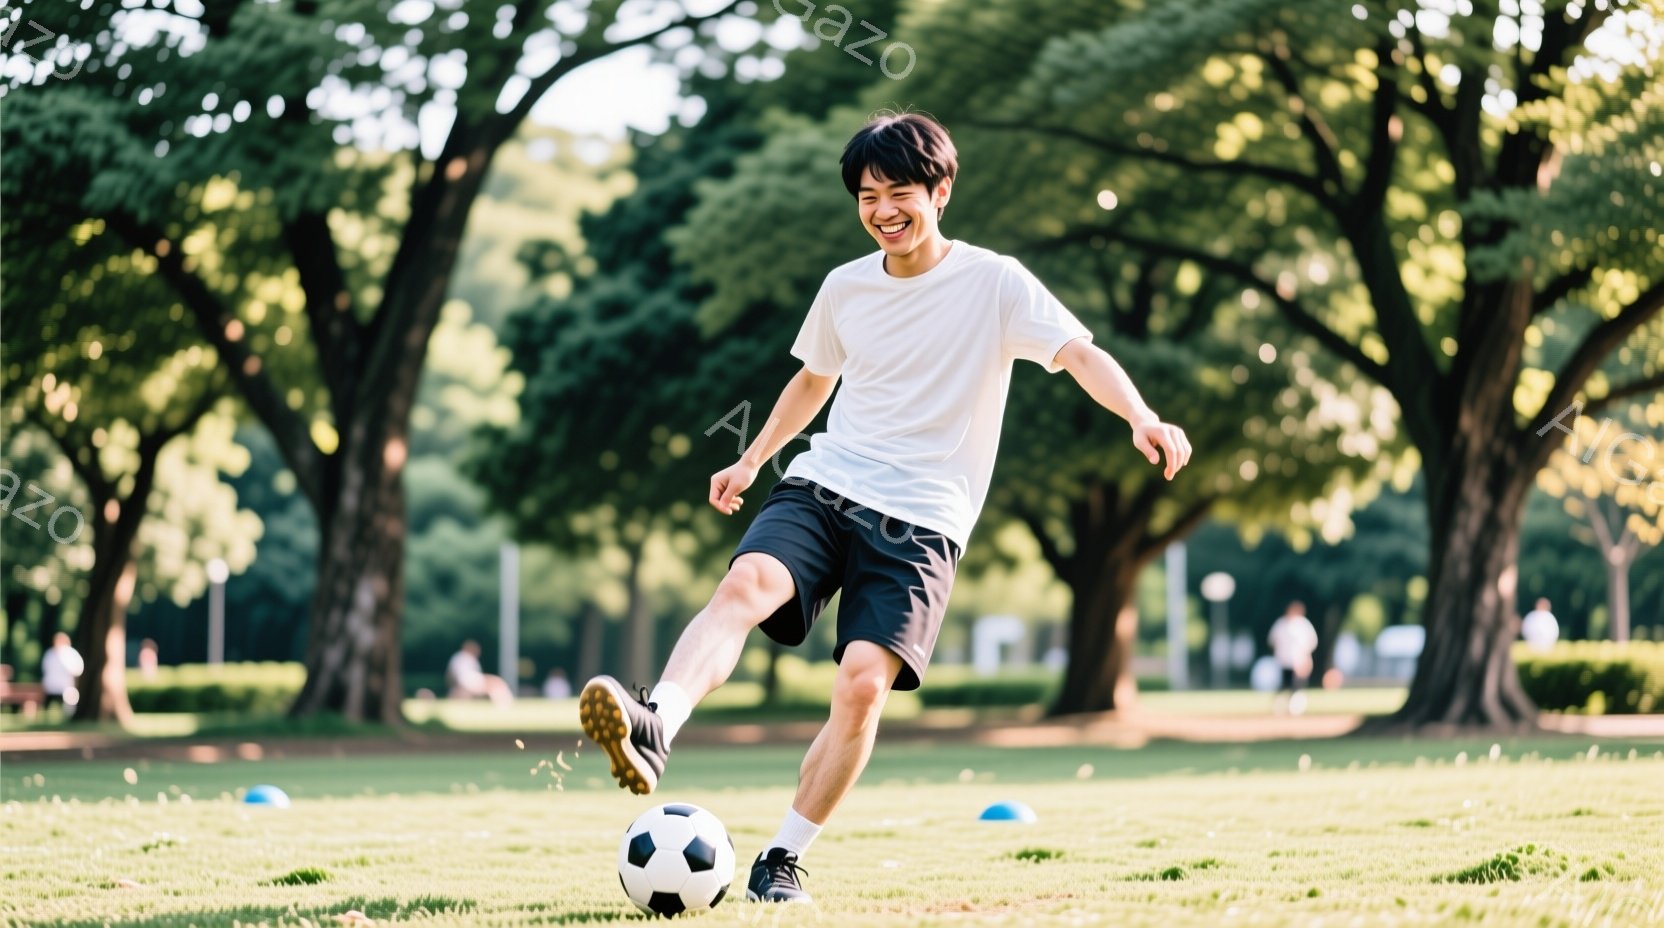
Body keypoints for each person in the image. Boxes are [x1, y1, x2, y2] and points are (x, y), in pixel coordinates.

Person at [578, 111, 1193, 905]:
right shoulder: (846, 286)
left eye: (899, 191)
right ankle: (655, 722)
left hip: (924, 520)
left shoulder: (995, 281)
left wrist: (1141, 416)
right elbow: (812, 381)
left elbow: (1078, 352)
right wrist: (753, 458)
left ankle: (782, 858)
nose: (883, 211)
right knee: (744, 586)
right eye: (868, 196)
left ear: (941, 191)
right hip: (825, 484)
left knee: (864, 686)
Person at [1268, 602, 1319, 716]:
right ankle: (1280, 705)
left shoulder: (1303, 625)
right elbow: (1273, 640)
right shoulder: (1281, 624)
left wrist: (1304, 657)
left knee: (1297, 685)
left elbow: (1311, 642)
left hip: (1298, 661)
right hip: (1284, 661)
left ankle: (1295, 707)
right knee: (1284, 685)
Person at [445, 640, 512, 706]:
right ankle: (503, 702)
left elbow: (450, 675)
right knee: (496, 682)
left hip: (465, 682)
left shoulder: (458, 657)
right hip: (469, 681)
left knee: (495, 682)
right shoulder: (464, 658)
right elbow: (468, 676)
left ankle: (502, 701)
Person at [40, 632, 84, 712]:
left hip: (66, 685)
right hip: (51, 685)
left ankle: (69, 713)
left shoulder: (71, 654)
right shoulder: (50, 654)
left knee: (71, 698)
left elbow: (77, 670)